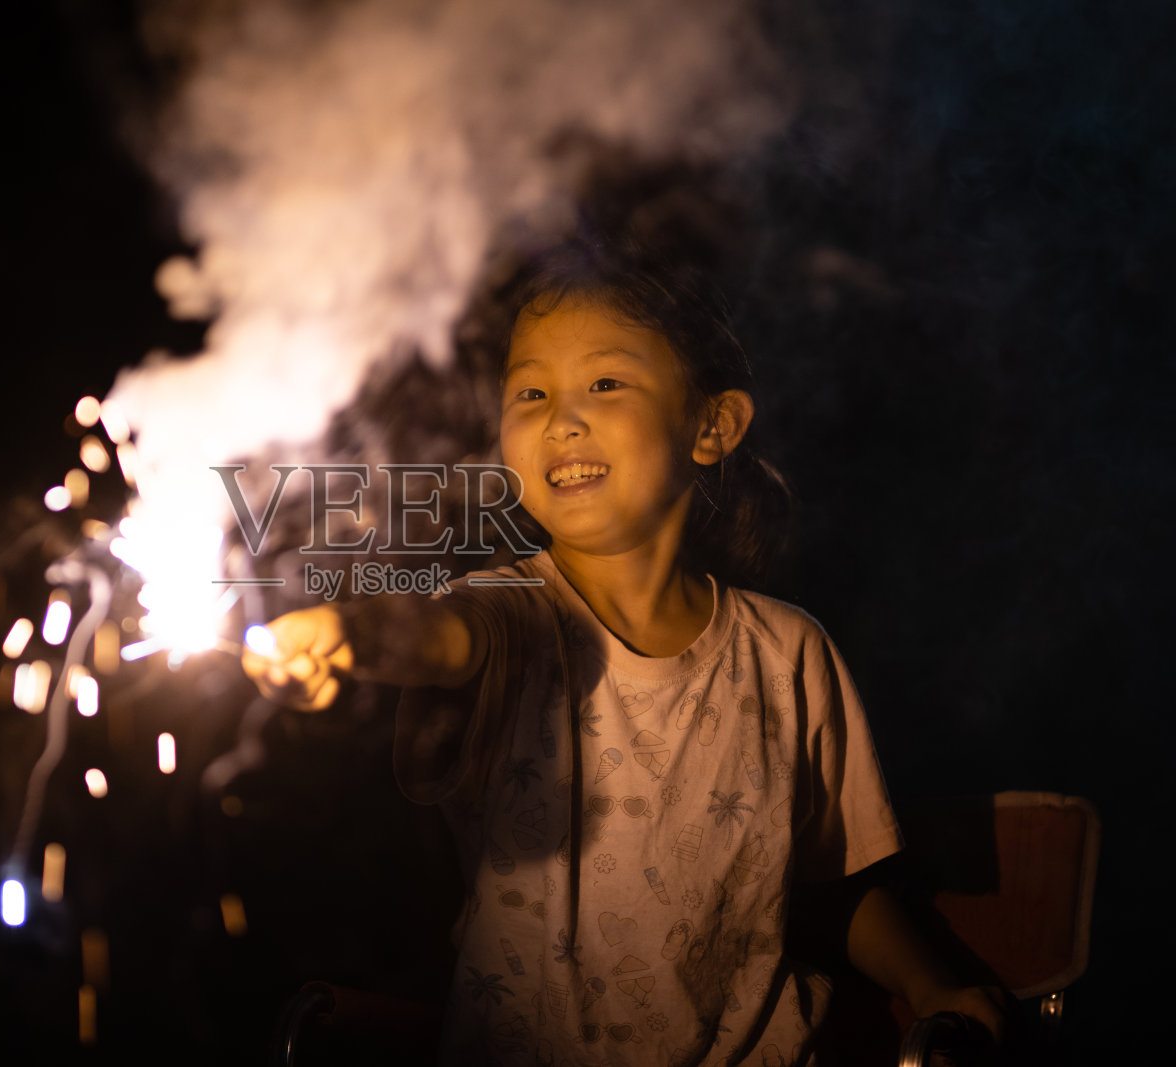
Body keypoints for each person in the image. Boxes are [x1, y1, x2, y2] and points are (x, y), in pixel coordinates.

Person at [242, 234, 1004, 1066]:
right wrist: (341, 633)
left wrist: (933, 988)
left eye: (604, 382)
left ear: (712, 424)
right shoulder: (513, 615)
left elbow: (836, 887)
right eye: (529, 392)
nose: (561, 418)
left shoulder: (788, 654)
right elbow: (435, 636)